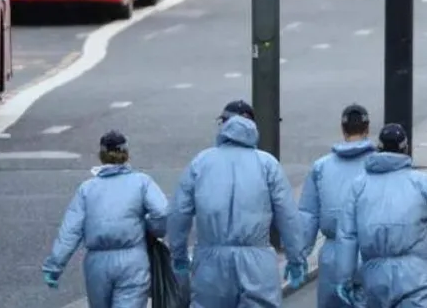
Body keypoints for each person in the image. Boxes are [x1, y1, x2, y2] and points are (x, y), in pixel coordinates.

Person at [167, 100, 309, 307]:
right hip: (257, 262)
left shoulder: (201, 163)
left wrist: (178, 254)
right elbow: (287, 215)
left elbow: (179, 212)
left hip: (211, 262)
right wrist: (296, 257)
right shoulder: (267, 164)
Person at [332, 123, 427, 308]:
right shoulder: (423, 183)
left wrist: (344, 277)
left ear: (378, 149)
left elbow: (347, 236)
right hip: (416, 280)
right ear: (406, 149)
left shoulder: (359, 186)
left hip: (374, 281)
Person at [42, 130, 171, 308]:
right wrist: (154, 230)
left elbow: (69, 231)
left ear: (101, 155)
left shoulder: (87, 189)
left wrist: (54, 267)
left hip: (97, 263)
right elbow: (162, 212)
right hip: (132, 259)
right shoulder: (142, 182)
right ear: (126, 154)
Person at [298, 104, 376, 308]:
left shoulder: (322, 167)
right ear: (367, 128)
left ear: (343, 130)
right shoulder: (379, 164)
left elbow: (308, 216)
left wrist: (298, 256)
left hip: (333, 256)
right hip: (370, 253)